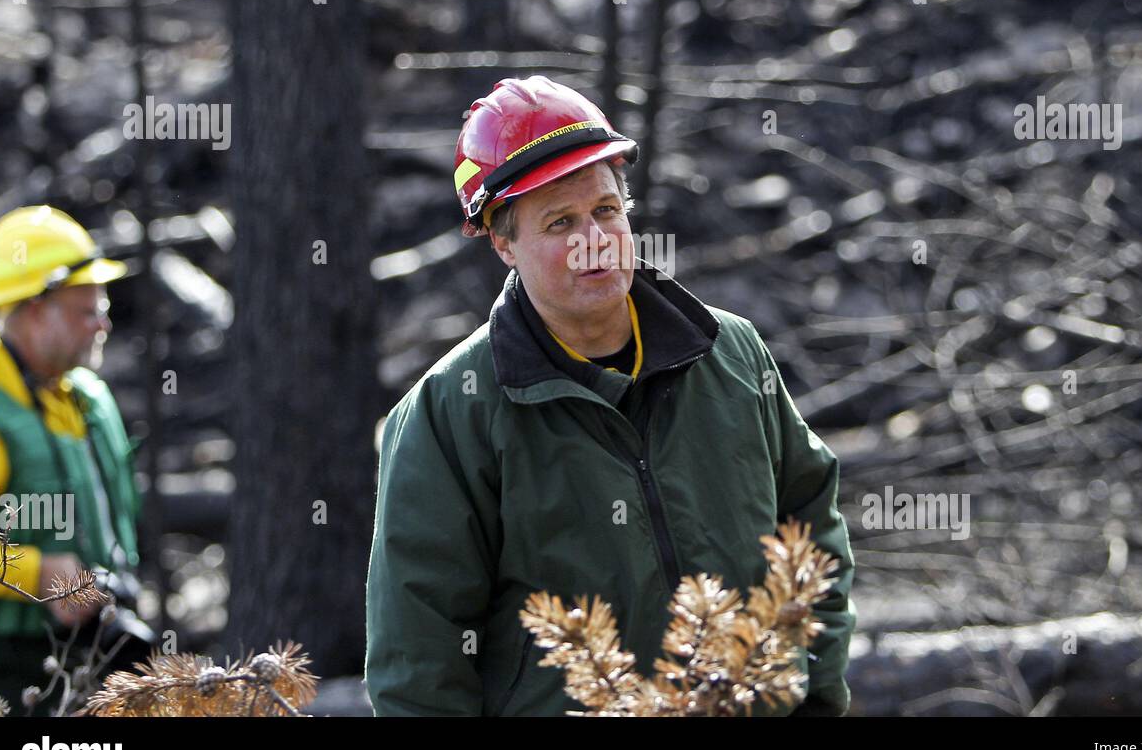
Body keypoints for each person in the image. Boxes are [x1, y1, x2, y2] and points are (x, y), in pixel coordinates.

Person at [366, 76, 856, 716]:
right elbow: (418, 666)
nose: (592, 239)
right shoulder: (447, 415)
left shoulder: (731, 354)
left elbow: (811, 533)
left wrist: (813, 697)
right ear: (503, 241)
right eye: (560, 222)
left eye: (605, 210)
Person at [0, 206, 149, 713]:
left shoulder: (89, 397)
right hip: (2, 678)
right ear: (32, 310)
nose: (104, 322)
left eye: (102, 305)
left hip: (101, 659)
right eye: (85, 310)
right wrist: (38, 573)